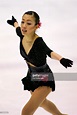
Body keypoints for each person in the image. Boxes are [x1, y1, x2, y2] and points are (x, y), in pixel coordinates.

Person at [7, 11, 73, 115]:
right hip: (32, 75)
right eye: (22, 21)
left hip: (44, 77)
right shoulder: (22, 34)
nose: (24, 26)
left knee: (26, 112)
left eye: (28, 23)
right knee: (42, 103)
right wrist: (15, 23)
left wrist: (61, 59)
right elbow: (17, 29)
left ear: (36, 26)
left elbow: (49, 52)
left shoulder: (38, 42)